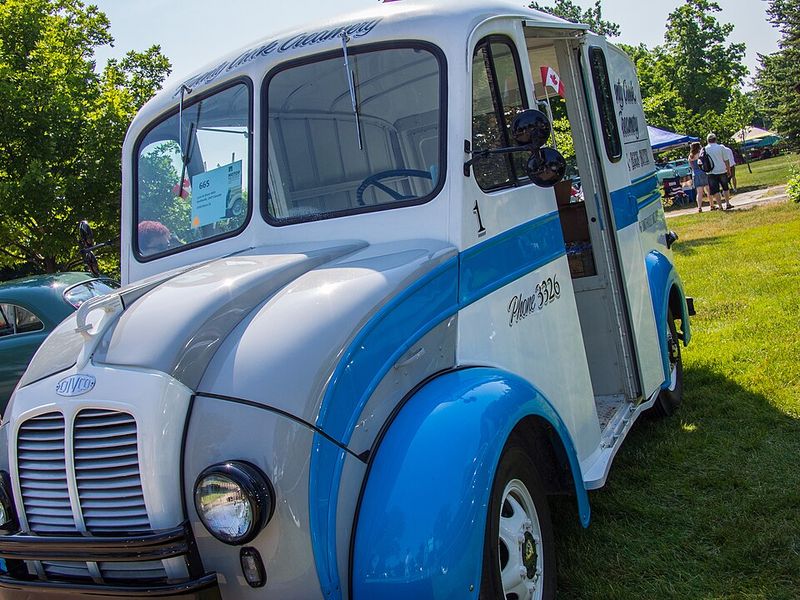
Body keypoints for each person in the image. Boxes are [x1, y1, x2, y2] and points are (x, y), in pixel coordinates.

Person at [704, 133, 732, 210]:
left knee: (716, 190)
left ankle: (720, 206)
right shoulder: (721, 147)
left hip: (711, 172)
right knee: (725, 187)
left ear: (707, 140)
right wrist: (728, 169)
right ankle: (728, 203)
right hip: (722, 170)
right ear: (715, 139)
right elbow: (726, 160)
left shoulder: (705, 149)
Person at [688, 141, 710, 213]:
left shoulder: (690, 156)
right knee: (708, 190)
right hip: (703, 172)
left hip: (696, 174)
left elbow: (691, 167)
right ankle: (711, 204)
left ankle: (699, 207)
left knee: (699, 192)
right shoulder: (700, 154)